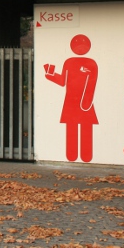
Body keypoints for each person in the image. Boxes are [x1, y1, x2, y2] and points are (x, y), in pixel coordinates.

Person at [44, 34, 98, 162]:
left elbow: (92, 82)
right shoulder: (69, 62)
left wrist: (87, 101)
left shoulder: (91, 63)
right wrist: (50, 74)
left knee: (86, 126)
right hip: (71, 100)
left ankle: (86, 156)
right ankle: (71, 155)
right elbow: (63, 81)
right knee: (72, 127)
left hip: (84, 100)